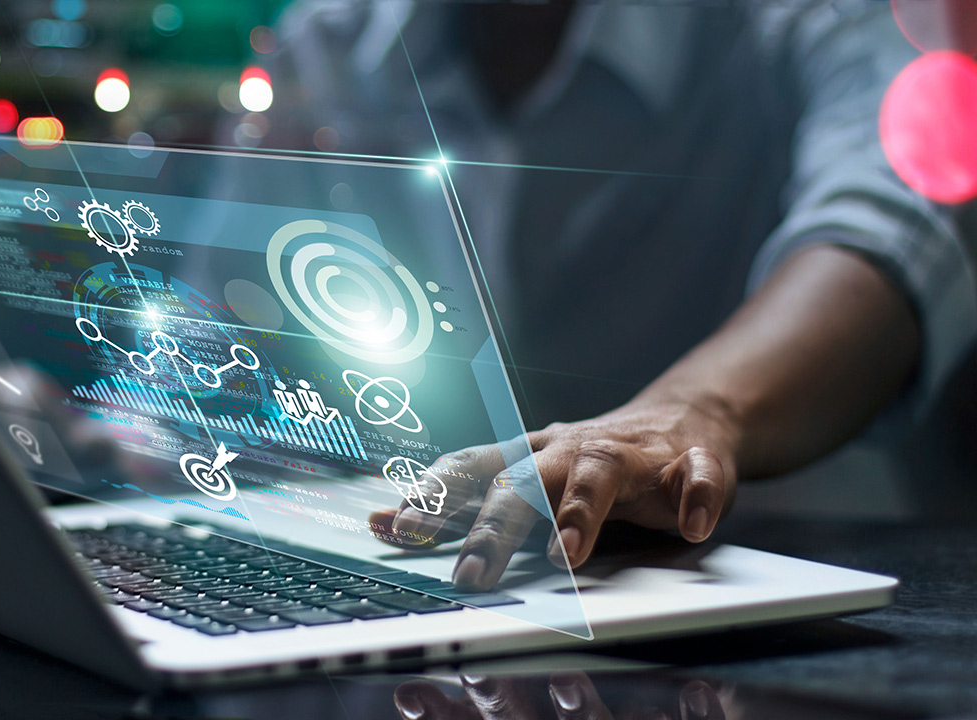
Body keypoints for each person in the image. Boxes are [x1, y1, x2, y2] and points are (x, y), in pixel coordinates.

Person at [244, 0, 977, 590]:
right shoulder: (327, 41)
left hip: (782, 572)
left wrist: (698, 413)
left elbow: (890, 229)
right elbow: (238, 308)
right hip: (459, 573)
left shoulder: (807, 16)